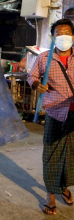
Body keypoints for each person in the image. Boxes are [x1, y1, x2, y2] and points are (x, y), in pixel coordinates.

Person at [27, 18, 74, 215]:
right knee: (51, 155)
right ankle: (50, 195)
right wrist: (37, 85)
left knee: (70, 156)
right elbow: (32, 76)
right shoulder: (45, 58)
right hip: (55, 113)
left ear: (73, 36)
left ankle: (63, 186)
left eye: (67, 34)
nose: (63, 38)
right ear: (53, 38)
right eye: (59, 34)